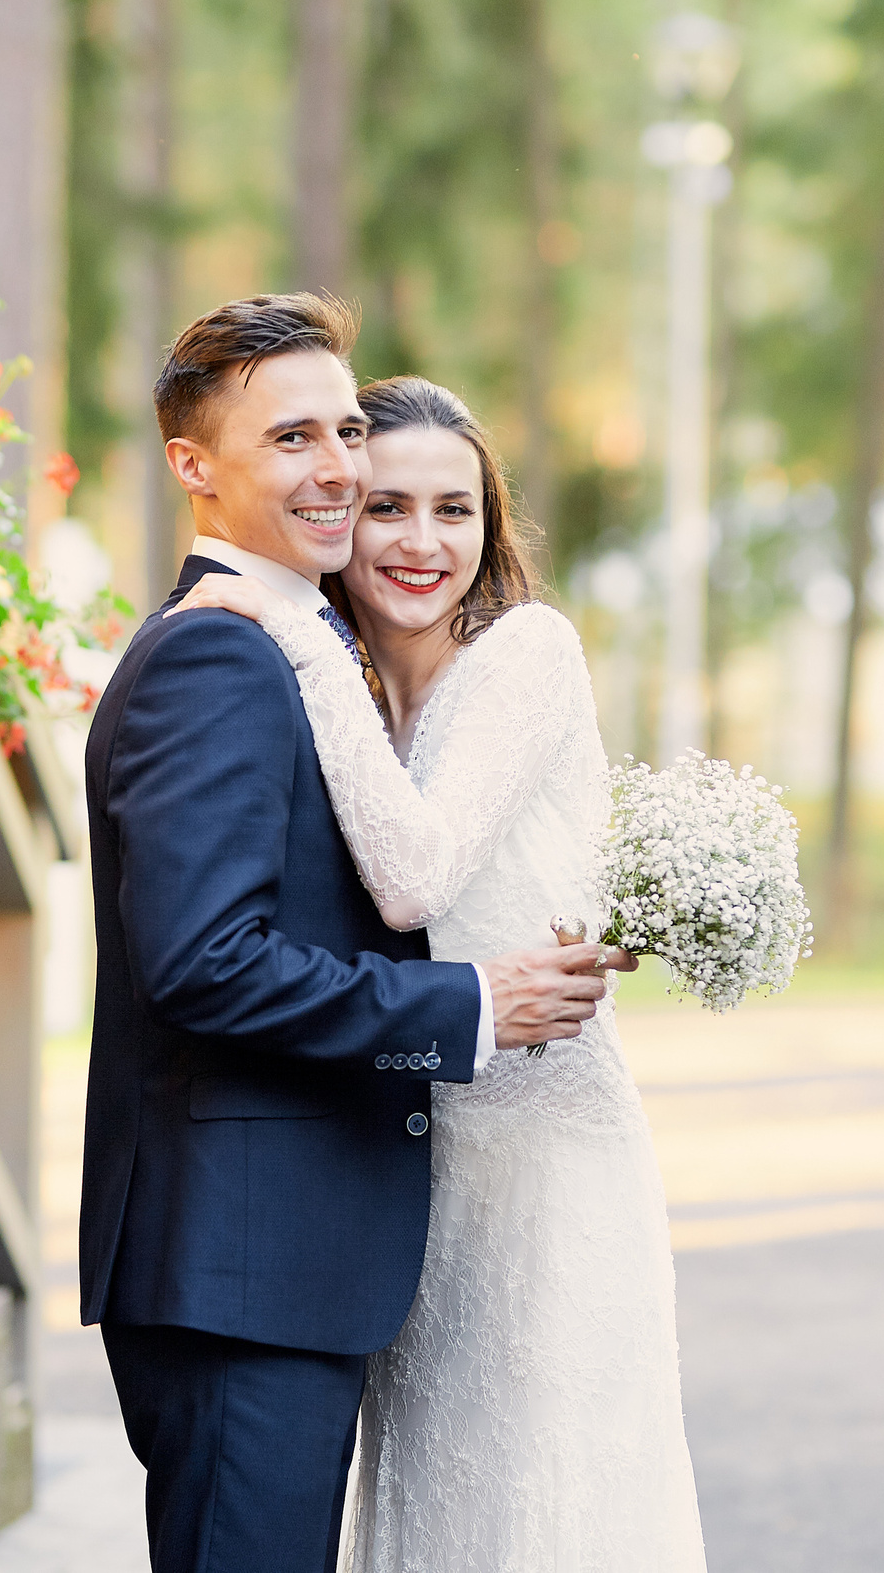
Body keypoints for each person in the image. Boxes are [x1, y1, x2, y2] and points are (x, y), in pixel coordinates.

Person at [81, 296, 625, 1573]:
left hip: (283, 1262)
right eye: (289, 439)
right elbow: (205, 963)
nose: (334, 466)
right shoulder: (219, 656)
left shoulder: (316, 643)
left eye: (342, 430)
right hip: (238, 1268)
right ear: (194, 467)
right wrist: (473, 1009)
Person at [174, 374, 708, 1571]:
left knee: (546, 1497)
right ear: (340, 517)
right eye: (389, 509)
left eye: (455, 512)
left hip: (541, 1156)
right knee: (433, 1503)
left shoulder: (523, 652)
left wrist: (305, 648)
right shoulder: (354, 685)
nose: (423, 543)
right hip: (409, 1167)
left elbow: (412, 882)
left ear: (492, 525)